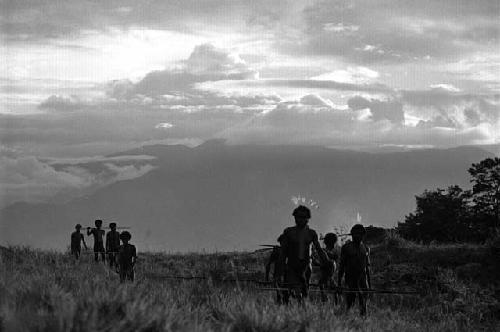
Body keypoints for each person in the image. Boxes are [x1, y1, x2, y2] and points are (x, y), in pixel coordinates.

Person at [277, 205, 328, 303]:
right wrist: (279, 271)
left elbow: (319, 249)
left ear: (308, 219)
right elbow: (283, 253)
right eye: (298, 217)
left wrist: (327, 262)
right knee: (290, 291)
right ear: (295, 218)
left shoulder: (311, 233)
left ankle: (301, 311)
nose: (301, 220)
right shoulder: (289, 232)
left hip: (306, 267)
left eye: (303, 217)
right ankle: (288, 312)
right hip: (292, 265)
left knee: (304, 292)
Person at [337, 224, 372, 315]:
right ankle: (346, 318)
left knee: (363, 303)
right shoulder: (346, 248)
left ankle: (363, 320)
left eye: (359, 234)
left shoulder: (366, 249)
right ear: (352, 234)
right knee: (349, 301)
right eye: (355, 233)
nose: (357, 236)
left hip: (363, 279)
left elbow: (367, 268)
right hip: (350, 278)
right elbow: (342, 266)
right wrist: (339, 282)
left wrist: (370, 285)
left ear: (363, 235)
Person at [318, 233, 340, 303]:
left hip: (330, 278)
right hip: (325, 278)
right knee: (325, 297)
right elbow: (327, 263)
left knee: (335, 294)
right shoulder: (324, 252)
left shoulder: (330, 253)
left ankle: (335, 308)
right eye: (334, 242)